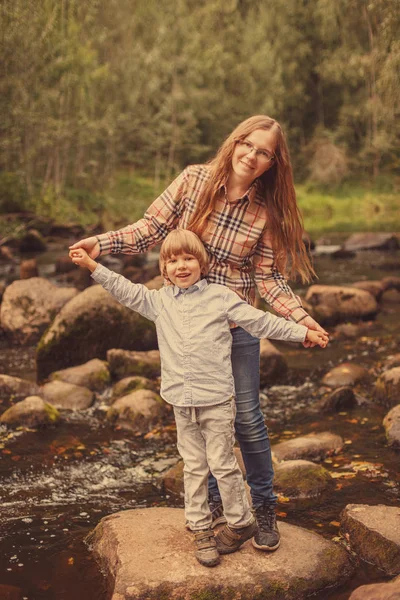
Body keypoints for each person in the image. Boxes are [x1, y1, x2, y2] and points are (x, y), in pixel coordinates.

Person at [70, 114, 329, 552]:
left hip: (236, 322)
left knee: (246, 420)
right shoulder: (194, 181)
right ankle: (216, 511)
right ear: (235, 142)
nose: (253, 155)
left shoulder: (266, 209)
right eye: (248, 144)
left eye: (264, 152)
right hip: (187, 324)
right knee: (194, 414)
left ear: (272, 162)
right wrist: (104, 243)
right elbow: (150, 229)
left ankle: (262, 509)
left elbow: (268, 278)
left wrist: (299, 318)